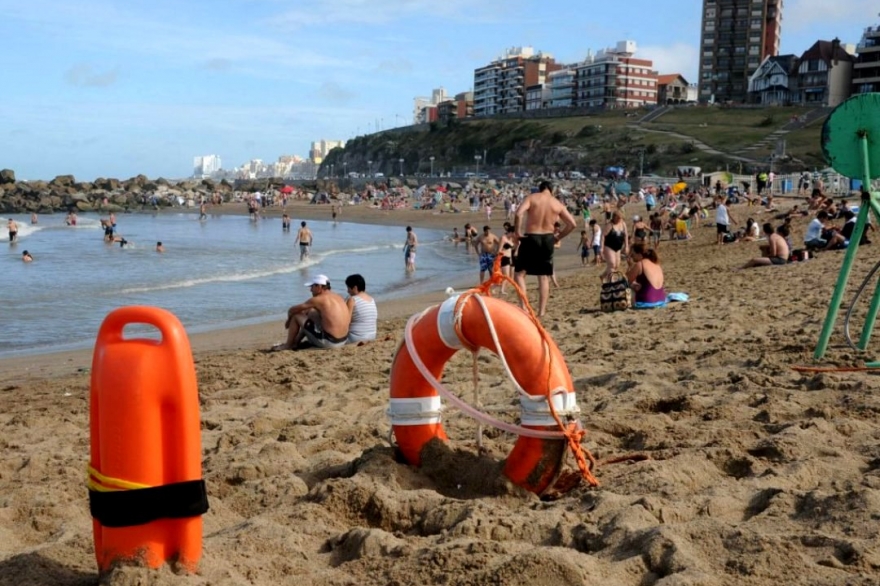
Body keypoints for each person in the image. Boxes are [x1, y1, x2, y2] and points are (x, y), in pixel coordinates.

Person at [513, 180, 577, 317]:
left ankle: (523, 307)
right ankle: (541, 312)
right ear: (551, 190)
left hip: (532, 236)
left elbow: (518, 214)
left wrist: (517, 233)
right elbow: (572, 224)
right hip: (548, 238)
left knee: (519, 273)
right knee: (543, 277)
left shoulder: (532, 197)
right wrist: (558, 237)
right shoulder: (556, 203)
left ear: (540, 188)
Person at [276, 275, 350, 351]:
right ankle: (296, 342)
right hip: (343, 340)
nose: (310, 290)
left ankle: (288, 345)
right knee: (311, 313)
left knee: (296, 316)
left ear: (319, 286)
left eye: (312, 287)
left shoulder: (318, 299)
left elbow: (292, 310)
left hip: (330, 342)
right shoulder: (338, 296)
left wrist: (288, 321)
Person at [345, 274, 378, 344]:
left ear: (355, 288)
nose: (347, 291)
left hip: (356, 337)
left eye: (348, 288)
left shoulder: (352, 300)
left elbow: (346, 322)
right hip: (372, 335)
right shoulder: (371, 299)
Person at [601, 211, 628, 279]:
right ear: (614, 218)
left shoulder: (623, 224)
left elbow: (625, 235)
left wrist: (626, 246)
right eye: (618, 218)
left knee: (616, 265)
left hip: (618, 247)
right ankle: (611, 281)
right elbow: (603, 236)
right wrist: (601, 248)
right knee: (612, 264)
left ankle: (603, 276)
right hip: (609, 246)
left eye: (620, 218)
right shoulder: (609, 225)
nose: (619, 220)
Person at [498, 222, 516, 292]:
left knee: (506, 276)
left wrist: (511, 258)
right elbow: (499, 250)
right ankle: (496, 288)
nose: (515, 234)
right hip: (503, 258)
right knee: (505, 276)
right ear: (511, 232)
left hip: (508, 258)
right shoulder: (504, 238)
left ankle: (501, 289)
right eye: (514, 233)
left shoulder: (510, 239)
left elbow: (511, 249)